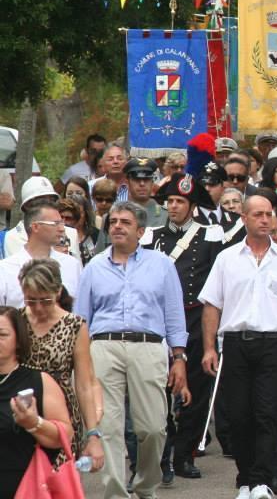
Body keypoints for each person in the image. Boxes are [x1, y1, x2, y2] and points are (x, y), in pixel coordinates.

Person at [199, 195, 277, 499]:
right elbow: (212, 306)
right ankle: (246, 479)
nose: (265, 219)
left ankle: (263, 480)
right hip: (236, 344)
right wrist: (210, 348)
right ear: (244, 219)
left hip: (274, 345)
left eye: (269, 214)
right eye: (258, 215)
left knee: (267, 414)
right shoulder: (226, 258)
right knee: (238, 415)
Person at [75, 201, 189, 499]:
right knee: (108, 426)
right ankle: (115, 493)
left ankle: (145, 487)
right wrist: (81, 361)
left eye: (125, 222)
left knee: (153, 427)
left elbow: (175, 314)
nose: (117, 226)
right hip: (103, 346)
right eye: (113, 221)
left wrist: (179, 357)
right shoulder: (94, 267)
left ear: (140, 231)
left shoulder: (161, 264)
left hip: (148, 347)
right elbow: (81, 319)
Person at [144, 173, 225, 481]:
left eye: (180, 201)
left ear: (193, 206)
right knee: (159, 390)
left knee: (198, 389)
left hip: (196, 320)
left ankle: (185, 454)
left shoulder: (211, 236)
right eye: (171, 201)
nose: (174, 206)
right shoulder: (151, 237)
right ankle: (160, 456)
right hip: (160, 322)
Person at [18, 258, 104, 466]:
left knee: (58, 481)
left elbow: (84, 384)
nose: (38, 308)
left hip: (61, 414)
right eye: (31, 300)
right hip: (23, 408)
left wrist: (93, 434)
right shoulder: (17, 320)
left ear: (57, 292)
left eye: (45, 300)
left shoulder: (75, 325)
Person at [0, 306, 75, 499]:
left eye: (2, 334)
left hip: (24, 488)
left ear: (18, 339)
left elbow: (64, 436)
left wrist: (34, 424)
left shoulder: (38, 381)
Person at [0, 202, 82, 308]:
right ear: (35, 226)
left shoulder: (72, 265)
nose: (62, 229)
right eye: (55, 224)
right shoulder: (5, 269)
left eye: (61, 223)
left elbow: (81, 309)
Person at [59, 195, 99, 265]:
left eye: (68, 218)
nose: (64, 221)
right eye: (61, 217)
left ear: (86, 214)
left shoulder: (95, 235)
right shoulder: (55, 236)